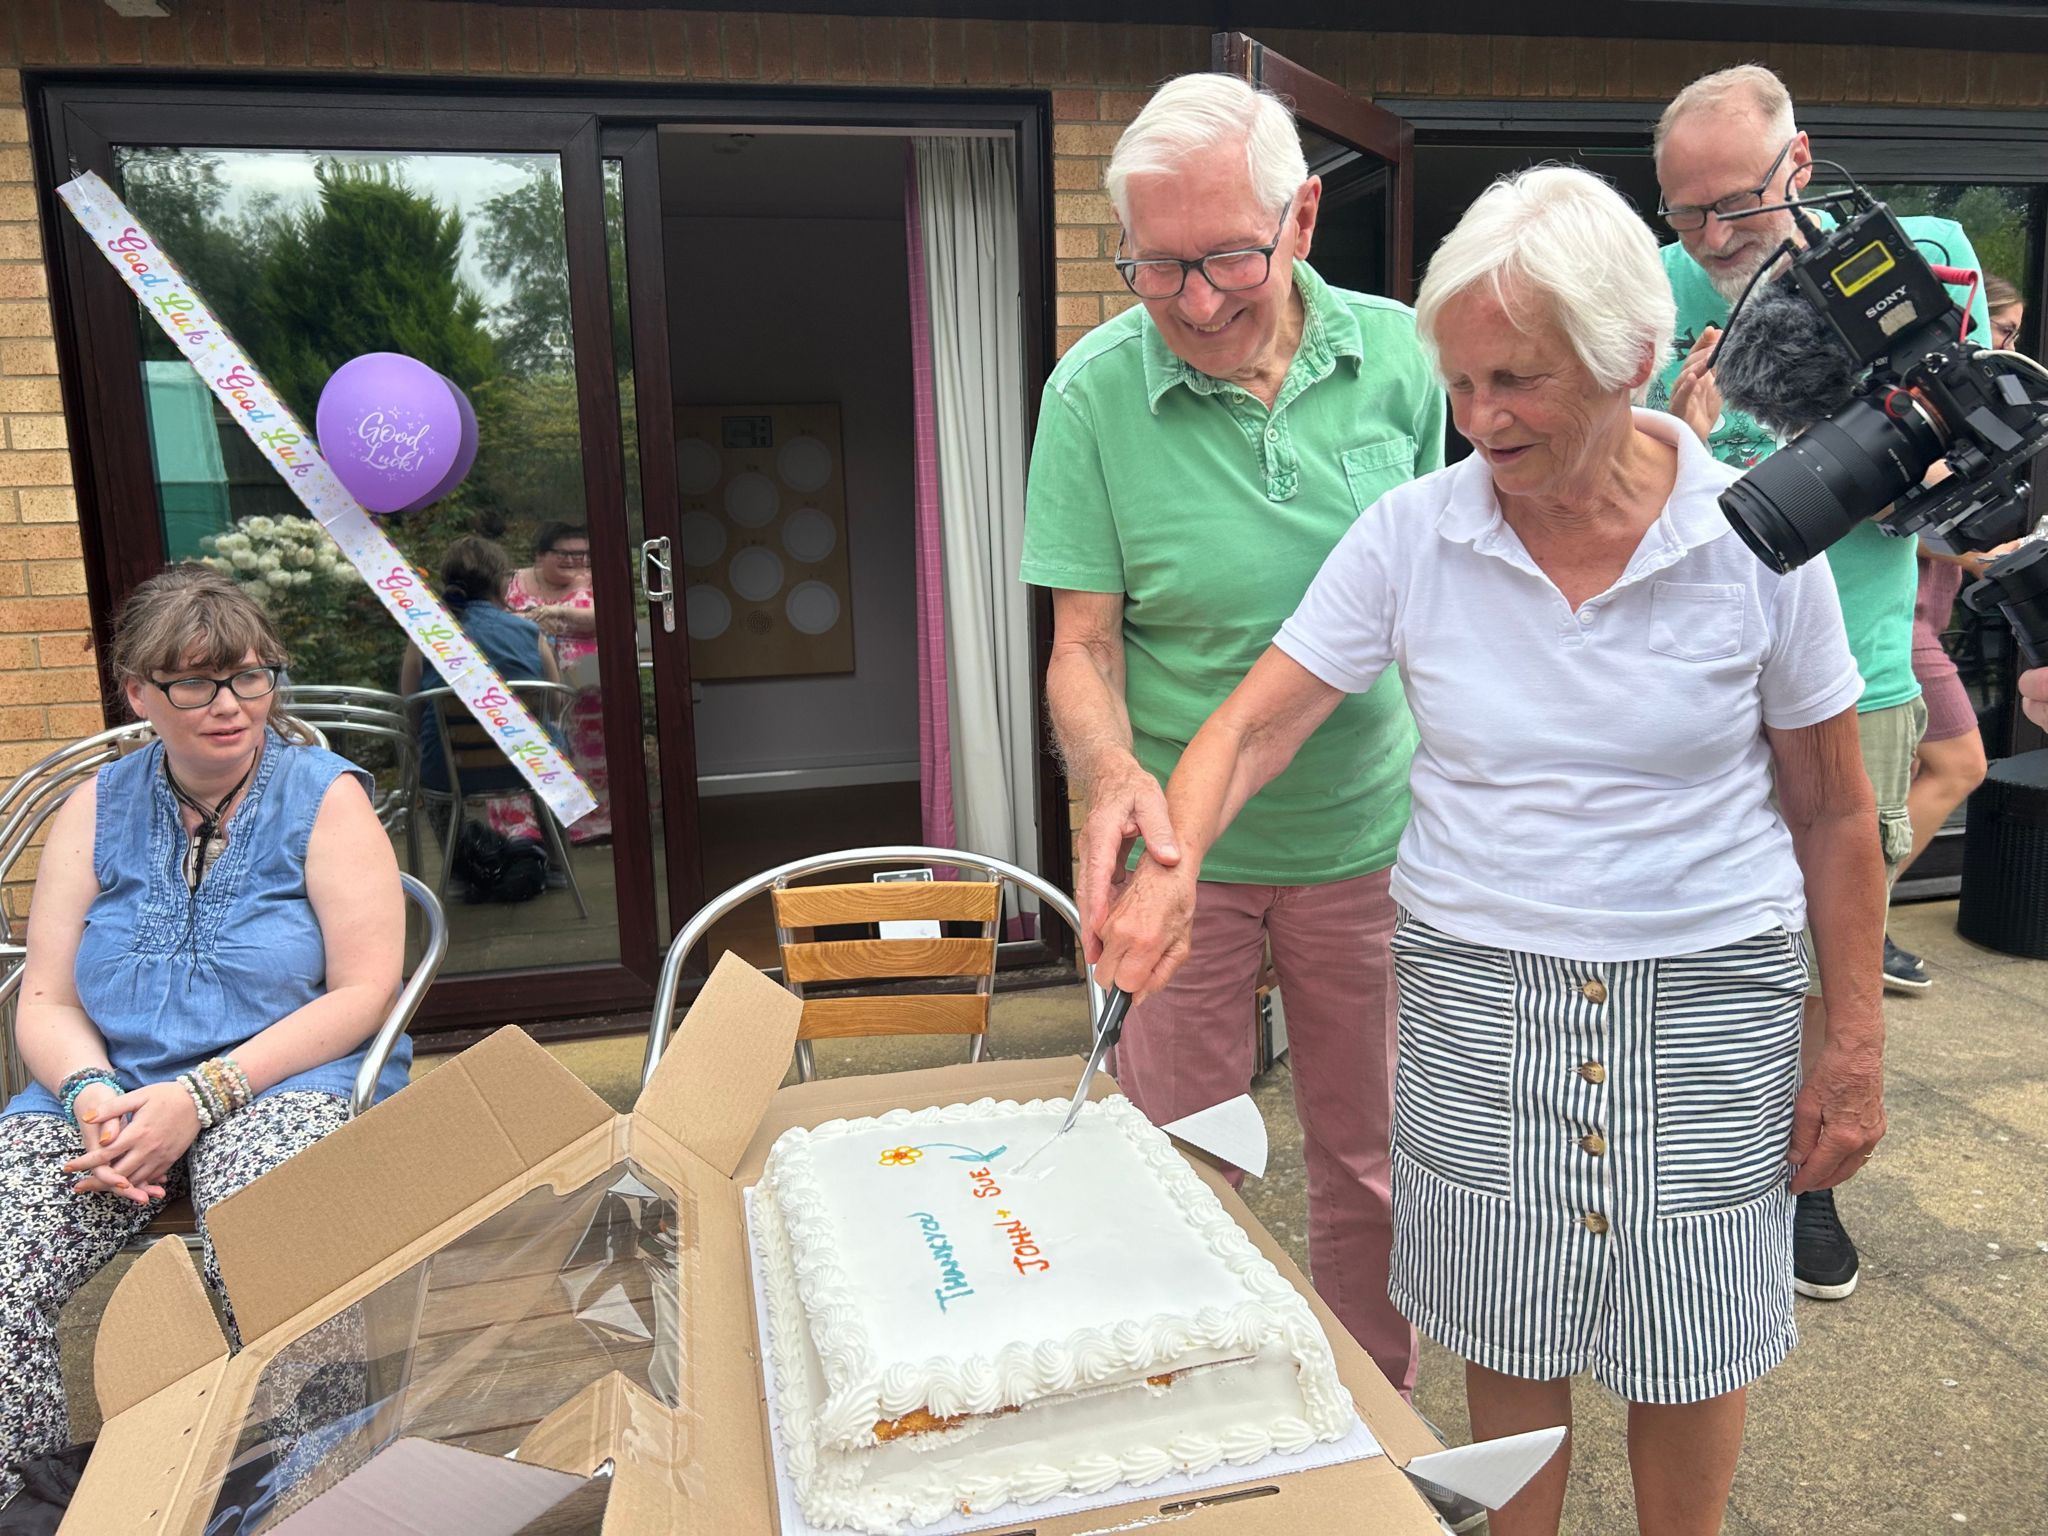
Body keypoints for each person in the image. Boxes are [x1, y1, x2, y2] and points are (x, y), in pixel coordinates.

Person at [1091, 166, 1884, 1536]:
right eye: (1458, 386)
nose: (1478, 421)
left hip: (1705, 997)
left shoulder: (1760, 542)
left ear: (1631, 359)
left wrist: (1854, 1038)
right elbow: (1255, 728)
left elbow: (1832, 808)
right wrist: (1171, 864)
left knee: (1690, 1341)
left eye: (1516, 382)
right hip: (1476, 995)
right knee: (1505, 1327)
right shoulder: (1417, 533)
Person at [1019, 71, 1443, 1397]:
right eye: (1157, 268)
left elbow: (1450, 598)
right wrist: (1108, 780)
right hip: (1172, 852)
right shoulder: (1090, 394)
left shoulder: (1409, 364)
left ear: (1304, 218)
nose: (1195, 302)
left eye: (1227, 260)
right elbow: (1083, 647)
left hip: (1365, 836)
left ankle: (1370, 1413)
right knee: (1176, 1151)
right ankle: (1193, 1404)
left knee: (1369, 1155)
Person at [1648, 62, 1990, 1303]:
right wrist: (1674, 445)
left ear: (1800, 163)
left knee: (1827, 929)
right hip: (1692, 673)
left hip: (1854, 659)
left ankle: (1808, 1183)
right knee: (1695, 927)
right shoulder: (1656, 286)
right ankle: (1693, 1140)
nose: (1706, 238)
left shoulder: (1924, 260)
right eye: (1680, 210)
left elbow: (1965, 472)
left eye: (1729, 205)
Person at [0, 565, 404, 1506]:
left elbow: (364, 991)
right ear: (140, 692)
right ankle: (35, 1506)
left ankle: (319, 1495)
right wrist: (93, 1099)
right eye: (195, 682)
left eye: (250, 676)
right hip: (109, 1091)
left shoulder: (323, 797)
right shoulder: (95, 804)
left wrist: (201, 1098)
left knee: (281, 1249)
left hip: (280, 1081)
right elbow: (48, 999)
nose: (230, 704)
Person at [1886, 274, 2029, 991]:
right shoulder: (1922, 410)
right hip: (1899, 627)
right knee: (1961, 764)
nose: (2010, 348)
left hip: (1922, 623)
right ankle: (1853, 916)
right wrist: (1980, 553)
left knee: (1907, 778)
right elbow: (1899, 525)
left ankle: (1851, 917)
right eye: (2004, 333)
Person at [401, 535, 563, 861]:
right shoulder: (530, 633)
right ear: (501, 583)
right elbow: (554, 703)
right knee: (554, 744)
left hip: (449, 771)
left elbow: (412, 713)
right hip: (529, 766)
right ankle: (559, 865)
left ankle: (458, 868)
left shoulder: (425, 636)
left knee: (430, 758)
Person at [506, 522, 609, 843]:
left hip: (588, 692)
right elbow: (502, 620)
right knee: (531, 751)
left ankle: (591, 825)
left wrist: (546, 613)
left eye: (584, 554)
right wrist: (559, 616)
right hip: (527, 690)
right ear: (540, 555)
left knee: (593, 756)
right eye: (566, 553)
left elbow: (602, 617)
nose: (577, 561)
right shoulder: (513, 582)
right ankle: (529, 829)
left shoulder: (599, 581)